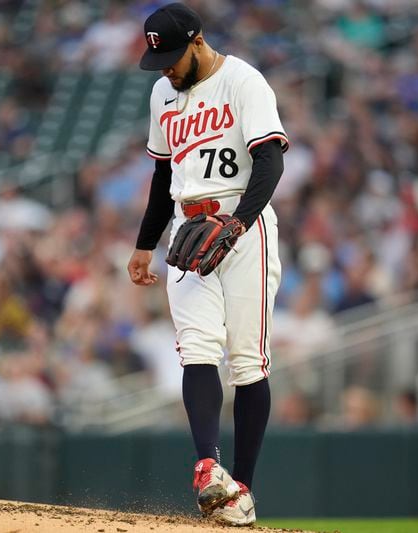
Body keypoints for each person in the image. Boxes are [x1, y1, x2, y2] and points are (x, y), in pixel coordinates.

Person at [126, 3, 287, 526]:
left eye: (173, 57)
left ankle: (243, 489)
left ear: (197, 41)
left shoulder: (244, 81)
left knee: (246, 361)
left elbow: (270, 160)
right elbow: (160, 174)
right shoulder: (161, 94)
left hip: (244, 221)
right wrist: (145, 243)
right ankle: (206, 468)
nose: (167, 69)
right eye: (159, 61)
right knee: (195, 348)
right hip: (185, 226)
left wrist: (238, 224)